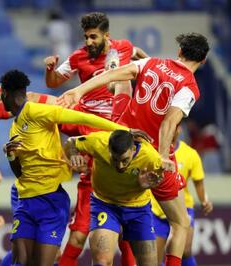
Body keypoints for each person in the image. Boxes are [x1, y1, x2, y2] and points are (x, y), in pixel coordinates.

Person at [0, 69, 148, 266]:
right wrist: (12, 156)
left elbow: (82, 117)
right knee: (20, 261)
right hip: (25, 200)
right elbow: (20, 173)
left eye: (0, 95)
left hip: (50, 200)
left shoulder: (38, 111)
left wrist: (124, 130)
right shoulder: (16, 125)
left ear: (6, 94)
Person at [58, 32, 210, 266]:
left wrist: (79, 91)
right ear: (204, 60)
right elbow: (169, 121)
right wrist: (160, 155)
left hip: (122, 135)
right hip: (150, 154)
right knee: (181, 224)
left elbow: (117, 74)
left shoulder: (153, 62)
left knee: (121, 85)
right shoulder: (190, 88)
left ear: (179, 51)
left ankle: (115, 58)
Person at [44, 12, 148, 265]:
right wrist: (49, 69)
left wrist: (147, 70)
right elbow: (54, 82)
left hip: (116, 124)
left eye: (93, 37)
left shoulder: (122, 48)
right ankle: (7, 100)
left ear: (106, 36)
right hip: (87, 120)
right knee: (45, 110)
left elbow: (140, 56)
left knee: (126, 233)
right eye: (86, 37)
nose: (89, 42)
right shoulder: (78, 57)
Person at [64, 129, 165, 265]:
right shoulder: (98, 142)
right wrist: (73, 155)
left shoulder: (150, 157)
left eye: (124, 160)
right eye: (114, 159)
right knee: (102, 261)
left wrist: (145, 185)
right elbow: (71, 142)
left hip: (138, 209)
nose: (120, 165)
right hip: (105, 205)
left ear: (133, 148)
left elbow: (162, 180)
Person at [151, 126, 213, 266]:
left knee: (185, 251)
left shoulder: (190, 154)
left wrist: (204, 200)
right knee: (155, 259)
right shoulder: (153, 151)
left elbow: (198, 182)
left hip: (182, 209)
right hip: (157, 210)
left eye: (174, 127)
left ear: (179, 130)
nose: (170, 131)